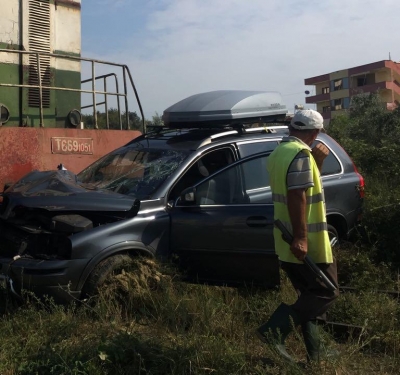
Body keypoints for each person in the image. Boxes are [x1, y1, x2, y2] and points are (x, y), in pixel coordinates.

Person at [256, 109, 339, 363]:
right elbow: (297, 195)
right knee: (327, 291)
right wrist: (301, 238)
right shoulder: (300, 154)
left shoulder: (280, 152)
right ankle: (274, 331)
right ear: (314, 133)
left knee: (309, 294)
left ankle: (317, 353)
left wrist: (317, 162)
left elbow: (298, 184)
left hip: (286, 239)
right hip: (306, 243)